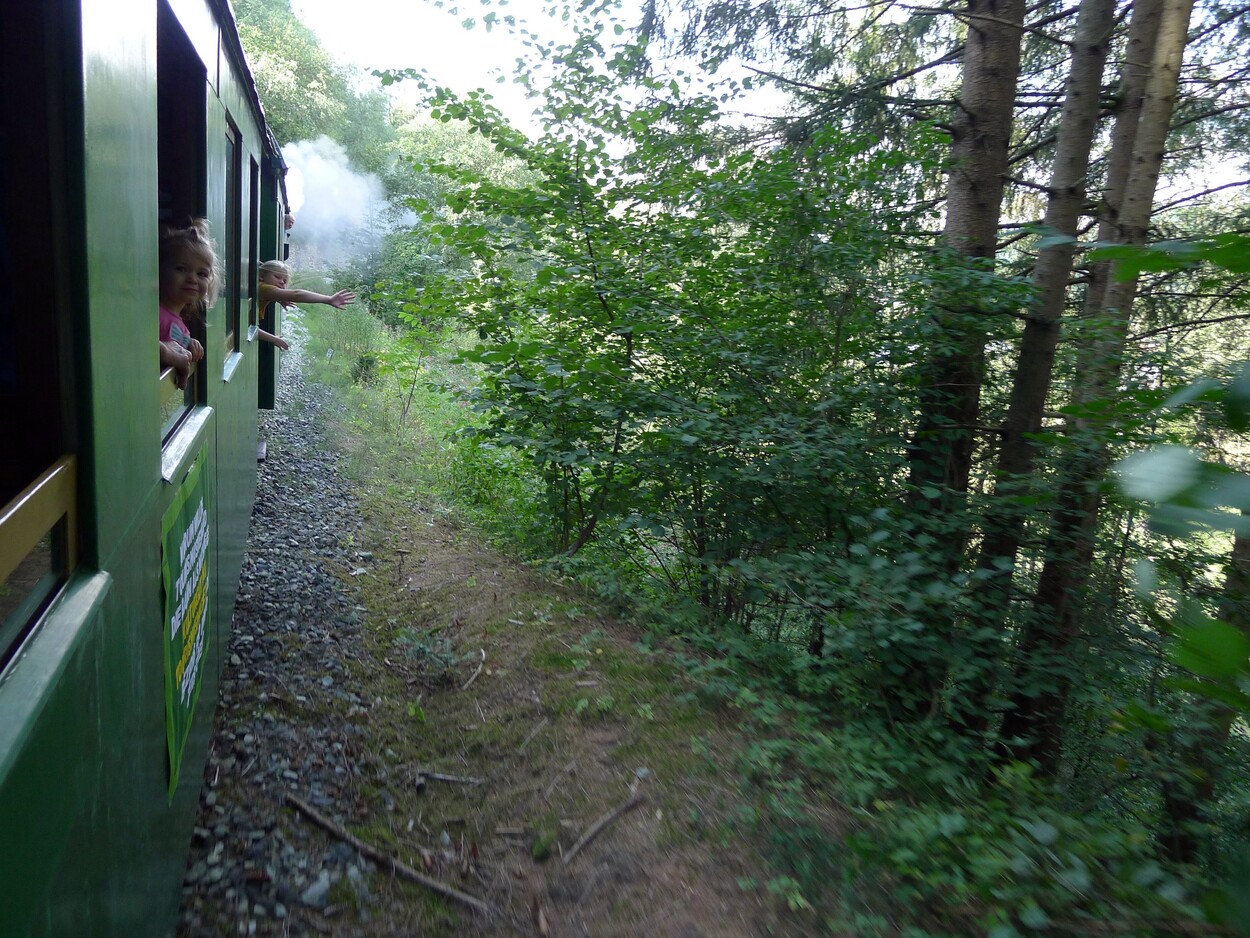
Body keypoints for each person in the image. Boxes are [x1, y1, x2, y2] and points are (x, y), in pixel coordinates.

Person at [159, 219, 217, 390]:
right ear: (160, 270)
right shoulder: (152, 313)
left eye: (202, 273)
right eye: (181, 269)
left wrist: (187, 342)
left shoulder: (181, 325)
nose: (192, 279)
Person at [255, 259, 356, 350]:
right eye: (277, 277)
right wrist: (328, 299)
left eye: (285, 281)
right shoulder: (264, 288)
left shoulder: (263, 289)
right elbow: (297, 295)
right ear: (262, 275)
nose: (282, 282)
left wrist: (279, 298)